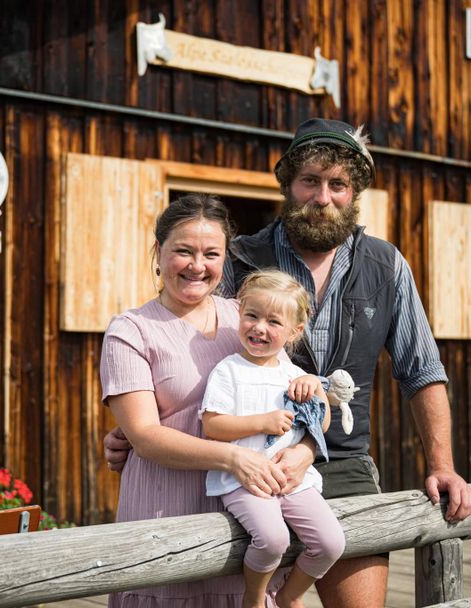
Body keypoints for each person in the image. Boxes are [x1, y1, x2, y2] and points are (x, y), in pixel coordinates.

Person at [106, 118, 471, 607]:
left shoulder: (386, 266)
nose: (322, 197)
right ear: (288, 184)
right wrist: (136, 427)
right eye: (310, 181)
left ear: (355, 192)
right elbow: (186, 340)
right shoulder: (240, 259)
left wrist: (443, 465)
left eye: (338, 184)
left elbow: (421, 371)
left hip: (341, 465)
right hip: (249, 468)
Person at [99, 193, 312, 607]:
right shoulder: (131, 330)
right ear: (158, 252)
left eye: (211, 253)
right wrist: (233, 458)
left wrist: (304, 452)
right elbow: (143, 435)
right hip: (165, 522)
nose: (198, 265)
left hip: (249, 524)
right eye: (184, 251)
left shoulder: (248, 318)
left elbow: (296, 400)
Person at [201, 270, 346, 608]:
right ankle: (253, 598)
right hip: (245, 482)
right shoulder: (229, 370)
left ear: (295, 331)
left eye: (273, 322)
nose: (259, 327)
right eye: (251, 315)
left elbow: (320, 424)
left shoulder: (295, 375)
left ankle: (289, 595)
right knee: (272, 539)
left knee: (330, 542)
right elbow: (213, 426)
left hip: (293, 482)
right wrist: (261, 422)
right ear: (240, 314)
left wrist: (317, 395)